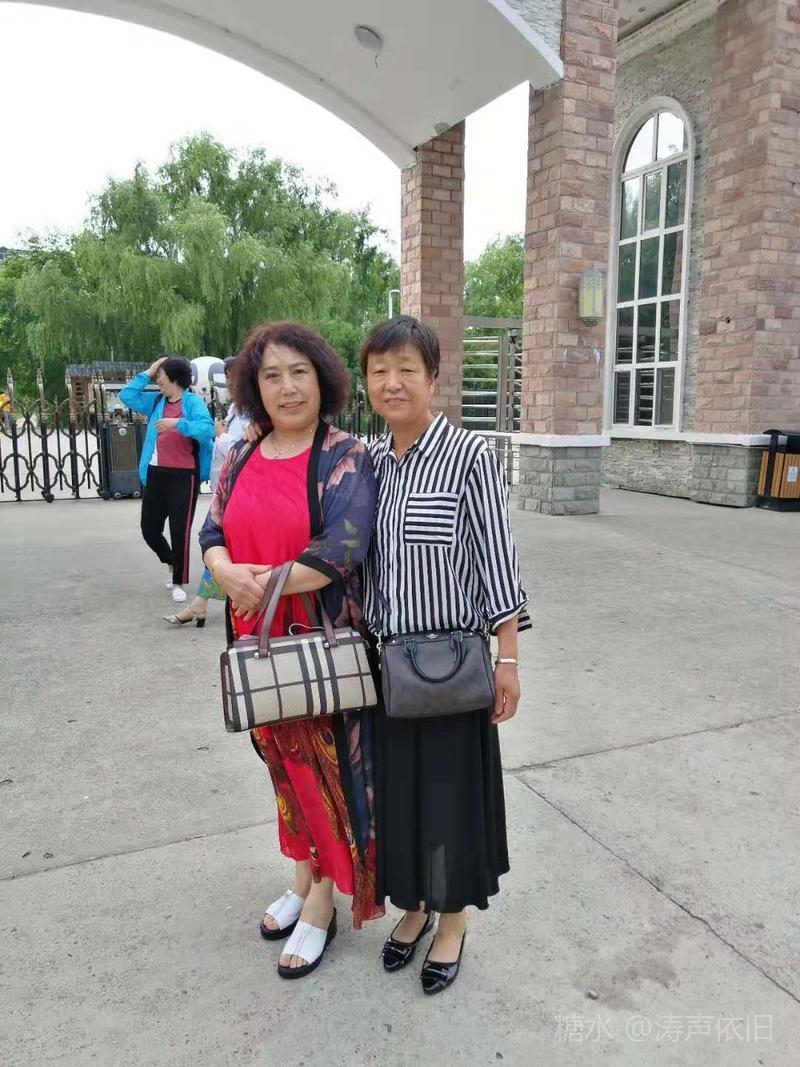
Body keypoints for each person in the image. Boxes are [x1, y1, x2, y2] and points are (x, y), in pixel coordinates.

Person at [199, 321, 381, 979]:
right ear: (255, 387)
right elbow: (212, 529)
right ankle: (302, 875)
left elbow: (343, 547)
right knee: (279, 763)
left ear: (322, 379)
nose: (287, 387)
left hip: (315, 643)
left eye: (299, 372)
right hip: (255, 640)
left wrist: (261, 583)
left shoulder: (343, 455)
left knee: (321, 770)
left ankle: (324, 902)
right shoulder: (242, 454)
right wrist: (223, 569)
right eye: (271, 375)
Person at [361, 315, 529, 995]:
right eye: (379, 371)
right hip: (388, 669)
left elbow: (497, 558)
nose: (392, 382)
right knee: (400, 795)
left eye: (407, 368)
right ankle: (415, 904)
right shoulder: (369, 462)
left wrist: (508, 658)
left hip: (454, 664)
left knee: (450, 797)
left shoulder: (468, 455)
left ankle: (452, 917)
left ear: (433, 377)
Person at [120, 356, 214, 604]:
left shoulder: (192, 402)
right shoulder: (156, 401)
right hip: (155, 473)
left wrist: (178, 424)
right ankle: (172, 562)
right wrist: (149, 370)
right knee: (149, 529)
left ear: (173, 377)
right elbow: (126, 396)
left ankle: (178, 581)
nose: (158, 379)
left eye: (160, 374)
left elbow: (206, 429)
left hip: (184, 476)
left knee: (179, 530)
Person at [163, 357, 249, 627]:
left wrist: (220, 435)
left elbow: (244, 451)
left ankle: (201, 605)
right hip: (226, 486)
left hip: (241, 488)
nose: (229, 385)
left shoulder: (252, 413)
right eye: (227, 378)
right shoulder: (235, 409)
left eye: (232, 378)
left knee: (218, 543)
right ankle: (200, 604)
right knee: (221, 546)